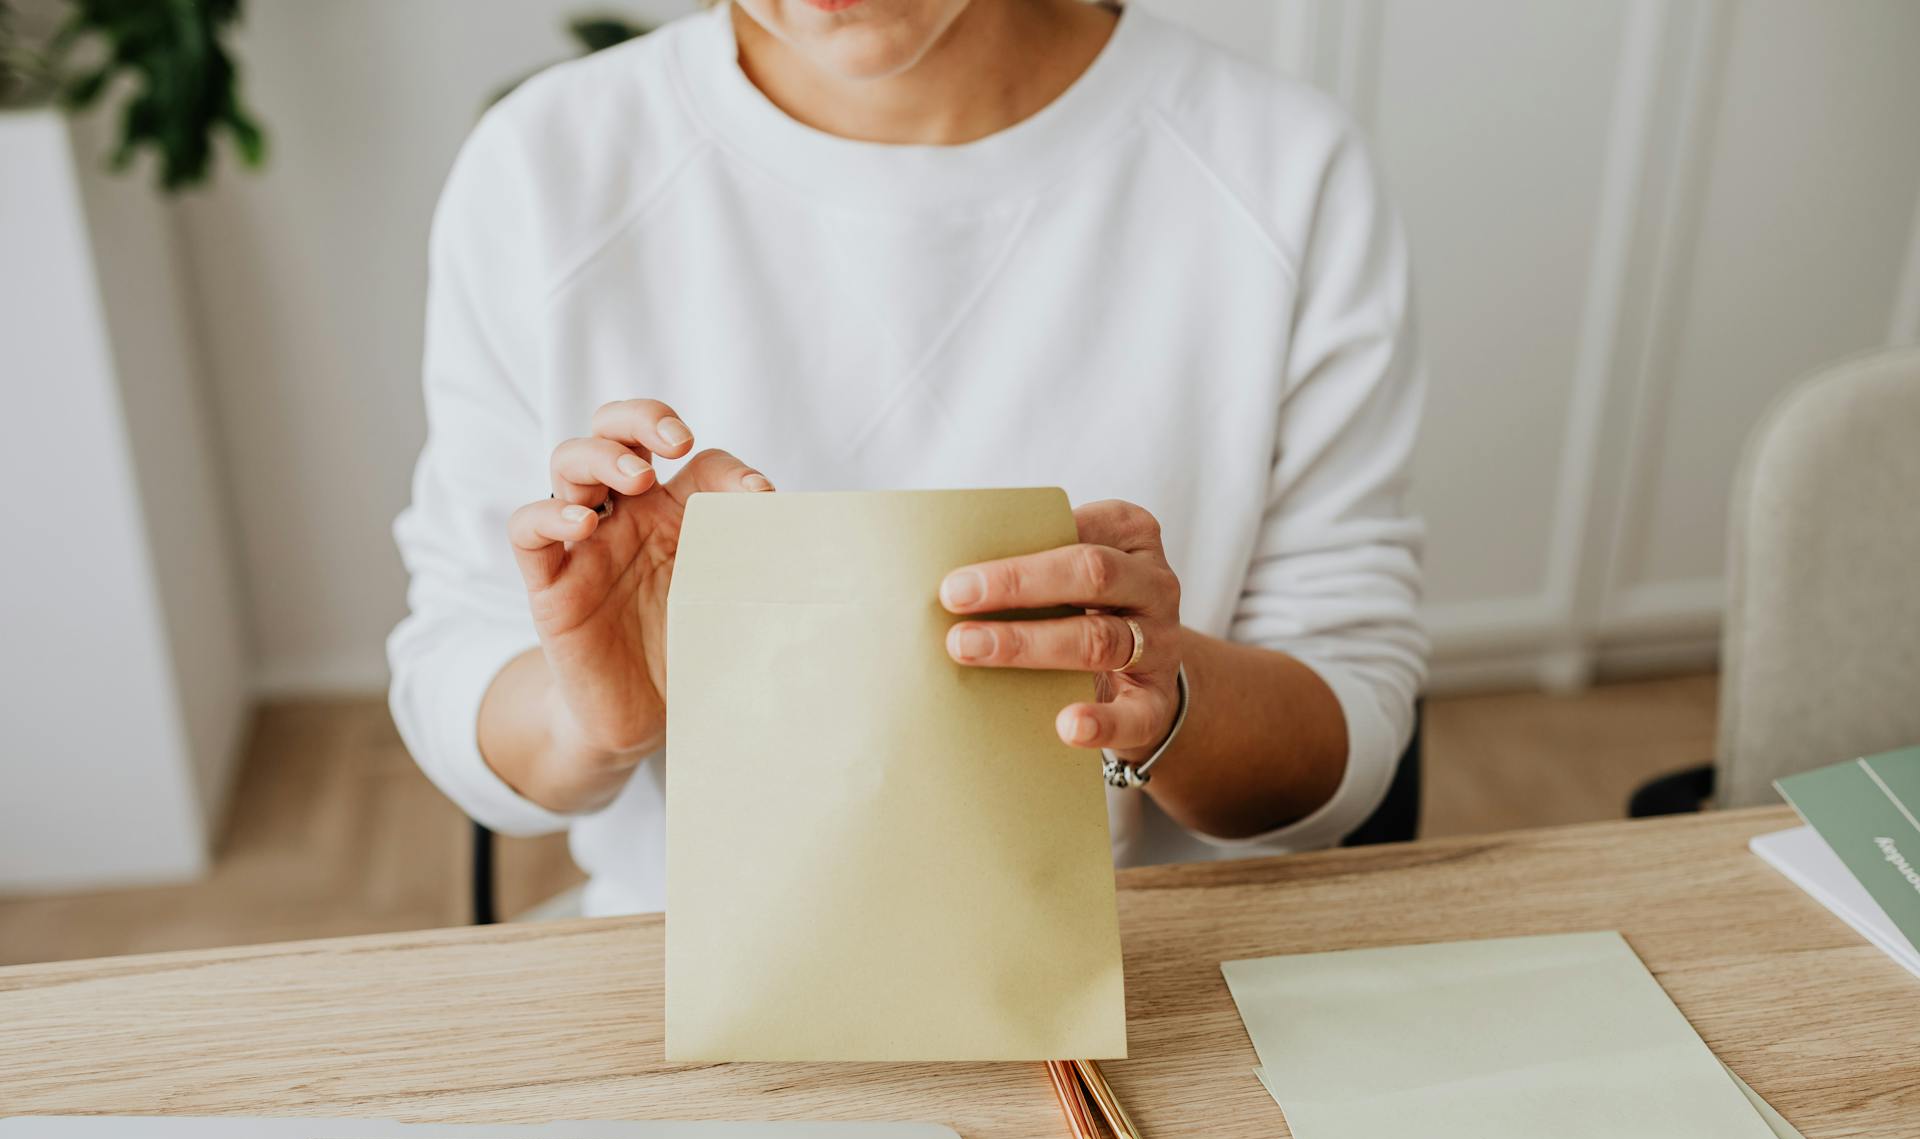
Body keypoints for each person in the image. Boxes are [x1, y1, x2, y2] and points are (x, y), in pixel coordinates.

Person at [389, 0, 1427, 916]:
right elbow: (456, 665)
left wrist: (1173, 695)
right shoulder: (544, 165)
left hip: (1157, 984)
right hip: (695, 983)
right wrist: (590, 713)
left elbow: (1352, 725)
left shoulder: (1282, 171)